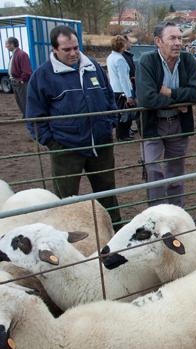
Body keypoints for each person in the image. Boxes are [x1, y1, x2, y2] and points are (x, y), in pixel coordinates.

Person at [25, 25, 121, 223]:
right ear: (54, 49)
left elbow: (109, 96)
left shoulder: (93, 66)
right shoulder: (43, 76)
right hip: (66, 149)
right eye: (67, 49)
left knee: (108, 195)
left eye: (76, 47)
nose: (73, 53)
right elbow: (34, 116)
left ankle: (114, 233)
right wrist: (53, 143)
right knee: (65, 200)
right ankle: (66, 239)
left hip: (100, 145)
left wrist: (109, 123)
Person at [136, 22, 196, 207]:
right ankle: (157, 215)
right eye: (172, 38)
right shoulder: (147, 61)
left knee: (175, 171)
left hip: (178, 123)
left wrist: (170, 93)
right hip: (153, 123)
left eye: (180, 38)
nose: (177, 43)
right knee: (152, 169)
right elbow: (146, 98)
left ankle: (176, 212)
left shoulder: (188, 60)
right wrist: (179, 102)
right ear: (158, 41)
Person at [106, 35, 135, 141]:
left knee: (120, 113)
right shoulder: (120, 59)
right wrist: (129, 95)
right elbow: (123, 79)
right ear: (122, 46)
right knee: (125, 114)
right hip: (122, 91)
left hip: (115, 89)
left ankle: (122, 134)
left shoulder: (110, 57)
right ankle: (123, 135)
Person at [5, 37, 32, 117]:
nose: (6, 46)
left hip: (20, 82)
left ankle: (29, 117)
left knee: (24, 100)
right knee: (19, 101)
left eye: (7, 44)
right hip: (15, 81)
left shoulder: (22, 54)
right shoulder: (14, 55)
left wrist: (22, 80)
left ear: (12, 44)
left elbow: (27, 70)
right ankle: (25, 115)